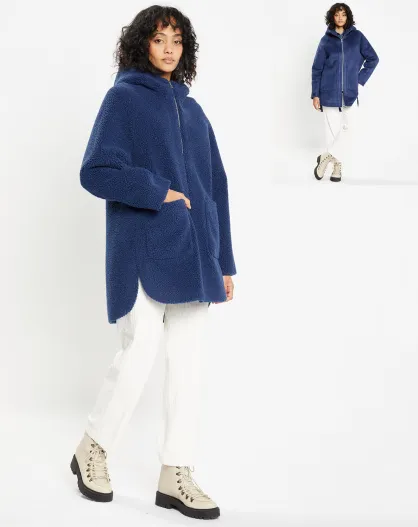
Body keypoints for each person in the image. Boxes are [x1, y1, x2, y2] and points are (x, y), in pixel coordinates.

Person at [70, 5, 237, 521]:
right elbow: (95, 171)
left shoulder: (195, 110)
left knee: (188, 367)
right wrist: (156, 190)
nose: (169, 48)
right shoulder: (122, 99)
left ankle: (175, 473)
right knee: (138, 352)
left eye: (177, 41)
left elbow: (217, 187)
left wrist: (225, 261)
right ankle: (93, 447)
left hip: (196, 254)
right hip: (144, 248)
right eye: (160, 38)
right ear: (142, 43)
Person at [311, 3, 379, 182]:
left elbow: (373, 59)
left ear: (348, 17)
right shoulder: (326, 41)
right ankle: (337, 168)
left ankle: (325, 157)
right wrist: (315, 94)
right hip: (328, 93)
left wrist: (359, 80)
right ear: (332, 17)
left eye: (343, 14)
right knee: (332, 133)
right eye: (337, 14)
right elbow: (317, 68)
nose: (340, 18)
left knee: (351, 129)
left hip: (350, 92)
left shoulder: (357, 37)